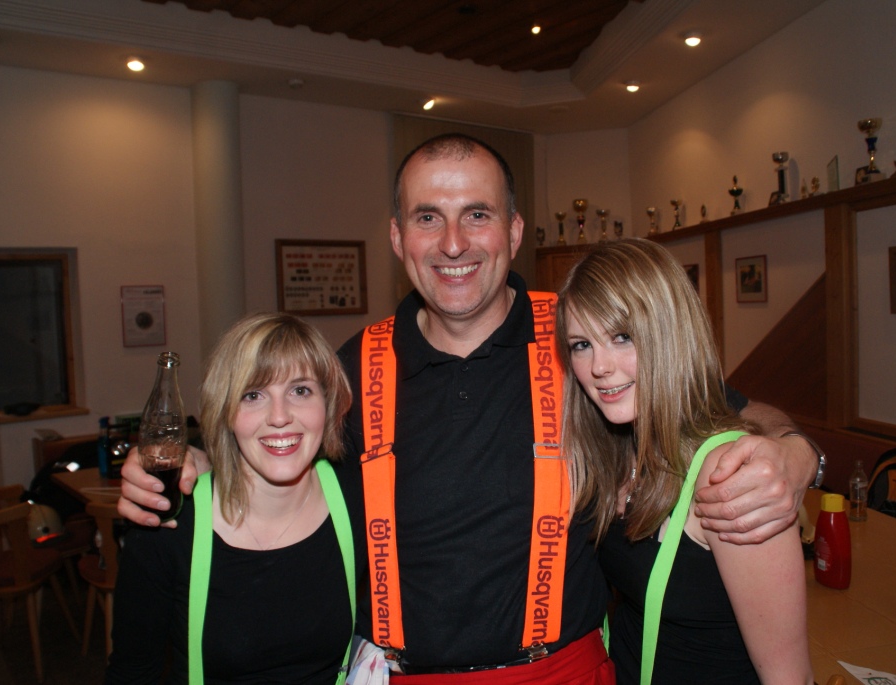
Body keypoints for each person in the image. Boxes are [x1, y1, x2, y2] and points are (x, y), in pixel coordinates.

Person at [119, 133, 820, 683]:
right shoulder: (351, 368)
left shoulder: (581, 340)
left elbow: (717, 411)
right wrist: (198, 468)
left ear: (513, 232)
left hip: (560, 672)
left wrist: (795, 454)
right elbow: (278, 443)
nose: (453, 243)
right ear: (398, 238)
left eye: (476, 215)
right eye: (428, 218)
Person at [557, 240, 812, 684]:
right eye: (581, 344)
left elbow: (788, 677)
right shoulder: (617, 450)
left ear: (668, 335)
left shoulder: (728, 475)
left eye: (622, 337)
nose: (599, 366)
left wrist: (801, 451)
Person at [107, 312, 355, 684]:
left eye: (300, 391)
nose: (279, 417)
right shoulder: (171, 524)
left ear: (328, 402)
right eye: (252, 395)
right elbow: (132, 673)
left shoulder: (357, 499)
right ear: (225, 411)